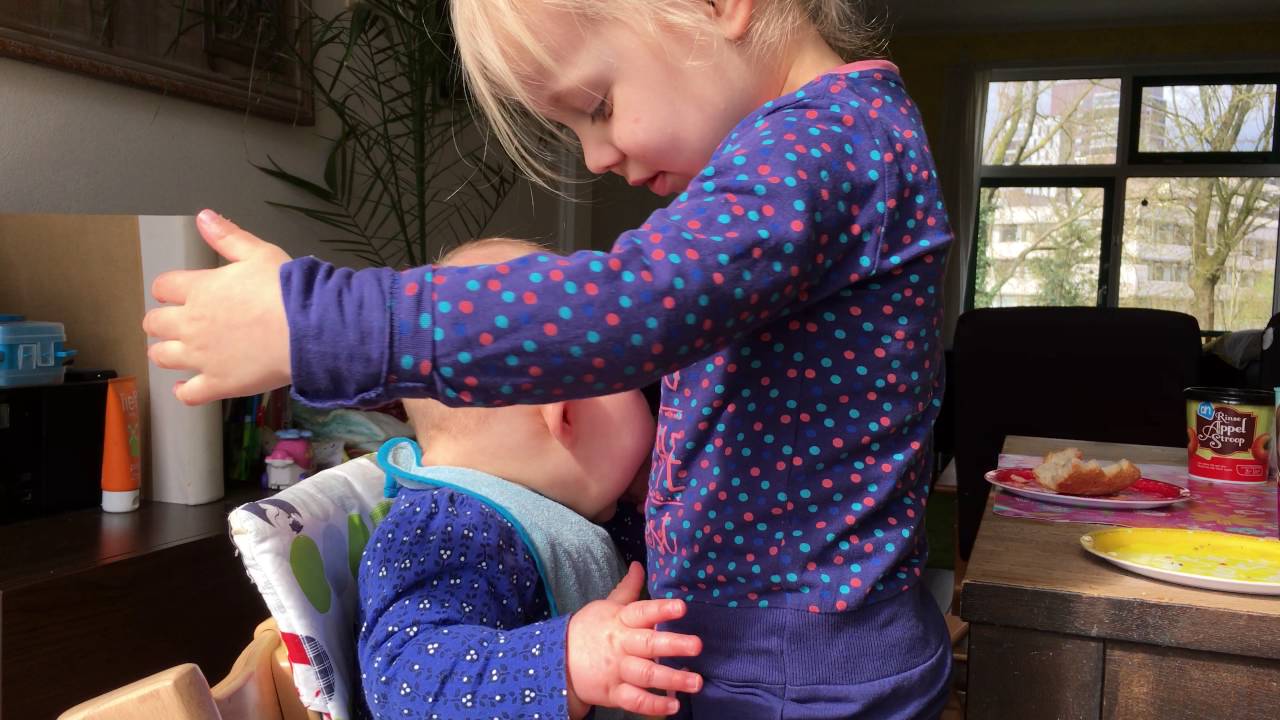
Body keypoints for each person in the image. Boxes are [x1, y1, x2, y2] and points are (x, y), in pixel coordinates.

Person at [143, 0, 955, 716]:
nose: (595, 154)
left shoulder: (825, 143)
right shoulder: (842, 144)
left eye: (598, 105)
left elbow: (625, 307)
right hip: (790, 657)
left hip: (794, 671)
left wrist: (322, 326)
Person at [362, 238, 701, 720]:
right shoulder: (450, 529)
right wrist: (565, 661)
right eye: (634, 375)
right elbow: (403, 682)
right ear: (564, 414)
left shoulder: (571, 506)